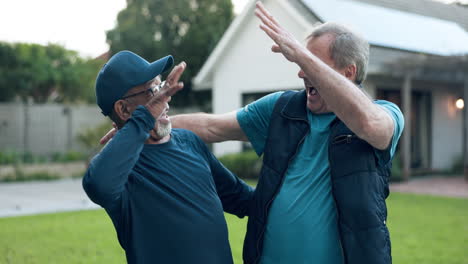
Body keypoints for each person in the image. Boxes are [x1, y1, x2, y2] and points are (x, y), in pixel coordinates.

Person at [100, 3, 404, 264]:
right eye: (300, 62)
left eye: (310, 63)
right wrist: (139, 127)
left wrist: (299, 53)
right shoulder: (283, 109)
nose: (299, 71)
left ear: (348, 73)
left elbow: (371, 127)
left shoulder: (384, 114)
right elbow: (210, 126)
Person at [82, 50, 254, 264]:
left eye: (161, 86)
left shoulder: (189, 142)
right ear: (123, 109)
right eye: (152, 91)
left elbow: (243, 198)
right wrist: (145, 119)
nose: (165, 100)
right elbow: (99, 185)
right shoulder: (122, 170)